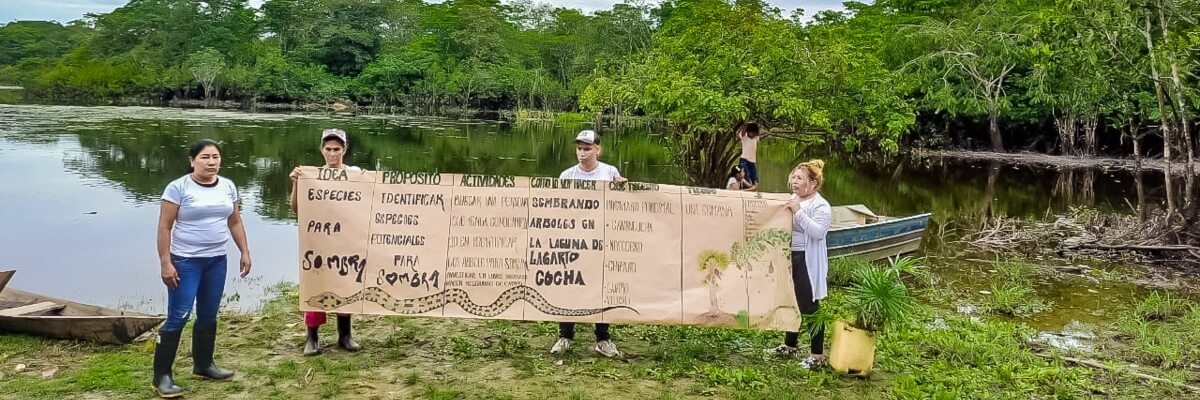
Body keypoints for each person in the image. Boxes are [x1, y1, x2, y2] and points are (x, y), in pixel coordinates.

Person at [154, 139, 252, 398]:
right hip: (186, 261)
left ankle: (204, 365)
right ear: (192, 160)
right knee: (179, 316)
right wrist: (166, 262)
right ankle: (162, 376)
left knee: (208, 314)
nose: (211, 162)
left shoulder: (228, 186)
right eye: (205, 157)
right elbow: (165, 227)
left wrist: (244, 251)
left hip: (216, 260)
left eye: (215, 157)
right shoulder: (178, 188)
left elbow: (235, 222)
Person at [553, 129, 627, 358]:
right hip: (573, 239)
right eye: (579, 148)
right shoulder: (567, 176)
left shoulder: (609, 172)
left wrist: (625, 188)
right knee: (569, 285)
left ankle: (603, 339)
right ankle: (565, 336)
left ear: (597, 149)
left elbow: (621, 205)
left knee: (601, 286)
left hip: (601, 238)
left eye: (587, 148)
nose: (582, 153)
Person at [289, 128, 362, 356]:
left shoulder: (356, 173)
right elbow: (296, 209)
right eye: (328, 149)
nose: (332, 154)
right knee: (315, 286)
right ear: (322, 150)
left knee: (345, 285)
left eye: (337, 149)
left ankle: (345, 335)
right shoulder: (311, 176)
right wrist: (296, 184)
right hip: (318, 241)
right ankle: (312, 337)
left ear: (344, 150)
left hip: (346, 240)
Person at [765, 160, 831, 370]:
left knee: (809, 306)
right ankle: (789, 345)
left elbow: (818, 233)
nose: (794, 181)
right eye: (793, 176)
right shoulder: (793, 199)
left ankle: (817, 356)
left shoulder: (821, 205)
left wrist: (798, 212)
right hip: (789, 257)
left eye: (799, 178)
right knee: (791, 301)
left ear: (813, 183)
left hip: (806, 260)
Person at [737, 123, 770, 187]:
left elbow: (760, 136)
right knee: (746, 176)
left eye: (755, 134)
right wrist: (746, 125)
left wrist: (767, 134)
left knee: (754, 177)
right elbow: (743, 132)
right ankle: (746, 189)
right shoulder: (744, 137)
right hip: (744, 160)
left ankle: (752, 188)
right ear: (748, 132)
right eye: (752, 133)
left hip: (752, 162)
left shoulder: (755, 138)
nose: (753, 135)